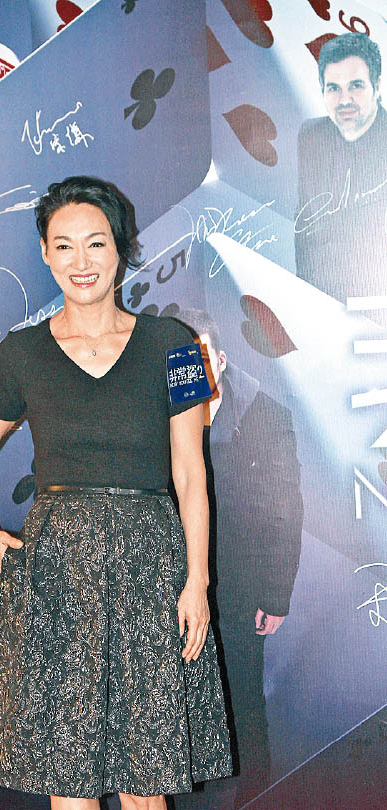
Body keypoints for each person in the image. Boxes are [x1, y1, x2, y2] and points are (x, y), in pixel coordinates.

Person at [0, 177, 232, 809]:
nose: (82, 261)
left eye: (96, 243)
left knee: (146, 781)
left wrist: (196, 582)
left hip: (150, 566)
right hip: (57, 571)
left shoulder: (175, 345)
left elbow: (191, 473)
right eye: (64, 245)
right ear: (45, 255)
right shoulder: (20, 353)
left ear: (121, 249)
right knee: (67, 778)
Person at [174, 310, 303, 809]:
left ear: (223, 359)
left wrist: (276, 594)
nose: (196, 370)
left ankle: (256, 795)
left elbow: (285, 508)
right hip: (178, 583)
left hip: (242, 582)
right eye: (186, 361)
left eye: (204, 357)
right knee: (181, 700)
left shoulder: (266, 414)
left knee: (244, 696)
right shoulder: (161, 418)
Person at [294, 33, 387, 319]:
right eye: (333, 88)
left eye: (355, 86)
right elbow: (305, 230)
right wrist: (309, 305)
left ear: (377, 86)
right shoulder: (310, 136)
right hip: (325, 310)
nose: (344, 100)